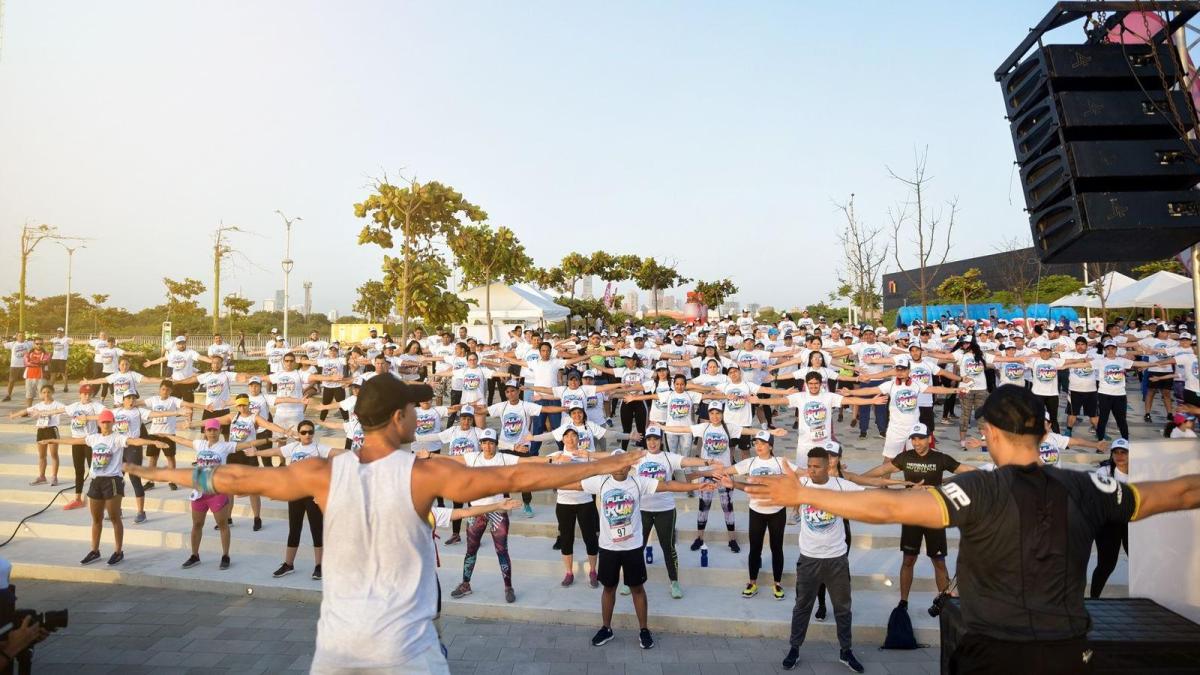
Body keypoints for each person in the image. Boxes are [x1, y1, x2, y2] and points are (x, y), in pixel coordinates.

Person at [122, 375, 643, 673]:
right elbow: (513, 474)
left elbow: (233, 478)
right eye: (415, 409)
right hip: (406, 653)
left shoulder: (322, 472)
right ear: (396, 418)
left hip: (336, 652)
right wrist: (601, 464)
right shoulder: (424, 473)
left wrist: (149, 469)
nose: (420, 417)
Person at [744, 384, 1200, 673]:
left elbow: (886, 507)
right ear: (1044, 432)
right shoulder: (1090, 486)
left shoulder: (977, 488)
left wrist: (803, 494)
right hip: (1068, 651)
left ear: (991, 434)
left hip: (993, 652)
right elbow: (1179, 494)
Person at [558, 450, 712, 650]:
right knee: (608, 588)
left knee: (637, 589)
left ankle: (644, 630)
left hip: (632, 547)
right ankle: (606, 628)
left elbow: (667, 485)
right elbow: (576, 484)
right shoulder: (601, 481)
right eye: (616, 462)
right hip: (608, 547)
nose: (620, 466)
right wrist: (544, 483)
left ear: (629, 464)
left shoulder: (638, 481)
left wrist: (697, 485)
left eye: (623, 462)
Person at [859, 423, 974, 612]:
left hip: (935, 515)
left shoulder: (940, 458)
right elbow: (881, 471)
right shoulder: (906, 457)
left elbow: (965, 470)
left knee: (939, 561)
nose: (916, 442)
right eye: (913, 438)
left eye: (920, 438)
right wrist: (856, 478)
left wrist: (992, 474)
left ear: (929, 438)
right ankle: (903, 602)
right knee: (908, 559)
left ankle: (945, 603)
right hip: (911, 514)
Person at [777, 446, 867, 673]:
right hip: (809, 559)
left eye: (816, 466)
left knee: (843, 609)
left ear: (828, 466)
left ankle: (846, 651)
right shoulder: (803, 485)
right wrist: (736, 484)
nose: (811, 470)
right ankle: (794, 648)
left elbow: (871, 494)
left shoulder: (840, 486)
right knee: (802, 607)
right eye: (808, 466)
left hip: (837, 559)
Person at [43, 409, 167, 566]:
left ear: (113, 423)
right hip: (96, 481)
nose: (106, 424)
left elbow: (134, 441)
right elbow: (74, 441)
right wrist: (53, 441)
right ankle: (95, 551)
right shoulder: (94, 438)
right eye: (103, 421)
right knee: (96, 519)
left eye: (109, 421)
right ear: (99, 423)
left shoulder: (117, 438)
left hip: (113, 481)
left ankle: (118, 551)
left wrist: (152, 442)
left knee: (115, 518)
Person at [165, 419, 269, 570]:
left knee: (223, 525)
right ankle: (195, 555)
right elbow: (180, 439)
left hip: (217, 492)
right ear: (205, 432)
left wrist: (268, 439)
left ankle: (225, 556)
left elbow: (246, 444)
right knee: (197, 525)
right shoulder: (199, 444)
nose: (212, 433)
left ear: (220, 431)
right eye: (209, 430)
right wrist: (164, 435)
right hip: (200, 492)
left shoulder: (225, 446)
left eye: (215, 430)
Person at [245, 419, 344, 579]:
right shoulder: (294, 447)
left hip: (313, 496)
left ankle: (319, 566)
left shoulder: (319, 448)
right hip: (295, 493)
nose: (307, 435)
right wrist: (257, 453)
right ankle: (288, 564)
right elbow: (276, 452)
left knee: (316, 530)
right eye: (304, 432)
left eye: (310, 432)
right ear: (299, 434)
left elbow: (337, 452)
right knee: (294, 529)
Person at [628, 426, 715, 599]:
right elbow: (614, 462)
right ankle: (630, 582)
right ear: (645, 441)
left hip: (665, 509)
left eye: (656, 439)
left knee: (668, 547)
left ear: (661, 440)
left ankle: (674, 582)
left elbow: (688, 461)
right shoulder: (638, 457)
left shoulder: (669, 457)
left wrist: (707, 462)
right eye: (649, 439)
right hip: (643, 509)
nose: (652, 443)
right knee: (637, 547)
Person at [722, 430, 798, 601]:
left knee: (776, 548)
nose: (759, 447)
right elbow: (727, 470)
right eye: (756, 443)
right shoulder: (749, 462)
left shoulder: (780, 462)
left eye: (762, 444)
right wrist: (709, 471)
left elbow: (801, 473)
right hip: (756, 510)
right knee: (755, 548)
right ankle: (752, 583)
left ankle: (777, 583)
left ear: (770, 446)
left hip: (777, 511)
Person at [1090, 438, 1131, 599]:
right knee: (1106, 565)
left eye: (1124, 452)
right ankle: (1093, 599)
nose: (1120, 456)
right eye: (1116, 452)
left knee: (1138, 561)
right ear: (1112, 454)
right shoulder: (1104, 471)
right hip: (1108, 525)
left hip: (1131, 523)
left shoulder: (1140, 470)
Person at [10, 384, 64, 486]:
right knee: (42, 455)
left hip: (52, 430)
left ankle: (54, 477)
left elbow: (68, 410)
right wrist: (14, 415)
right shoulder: (39, 405)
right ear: (41, 394)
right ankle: (42, 476)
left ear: (52, 393)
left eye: (48, 392)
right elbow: (26, 411)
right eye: (44, 392)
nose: (46, 394)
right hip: (41, 431)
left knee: (53, 454)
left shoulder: (57, 404)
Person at [61, 384, 105, 509]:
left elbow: (107, 414)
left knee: (94, 469)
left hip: (89, 441)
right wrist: (39, 412)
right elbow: (59, 410)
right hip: (76, 441)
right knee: (78, 470)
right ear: (80, 394)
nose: (87, 396)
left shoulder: (95, 405)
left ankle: (98, 495)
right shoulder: (75, 406)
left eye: (89, 394)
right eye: (84, 393)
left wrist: (89, 417)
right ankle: (77, 498)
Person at [2, 332, 32, 402]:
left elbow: (41, 343)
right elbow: (3, 344)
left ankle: (28, 396)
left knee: (27, 380)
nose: (21, 337)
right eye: (20, 336)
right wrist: (3, 341)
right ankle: (8, 395)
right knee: (11, 381)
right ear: (16, 336)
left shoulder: (28, 343)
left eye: (23, 336)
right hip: (14, 365)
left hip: (26, 365)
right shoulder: (12, 343)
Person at [49, 327, 71, 392]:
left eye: (60, 332)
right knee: (53, 374)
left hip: (62, 359)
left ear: (63, 333)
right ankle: (51, 387)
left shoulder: (66, 339)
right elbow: (47, 342)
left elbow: (73, 342)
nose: (59, 333)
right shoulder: (54, 339)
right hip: (54, 358)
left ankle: (65, 387)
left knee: (63, 373)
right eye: (58, 332)